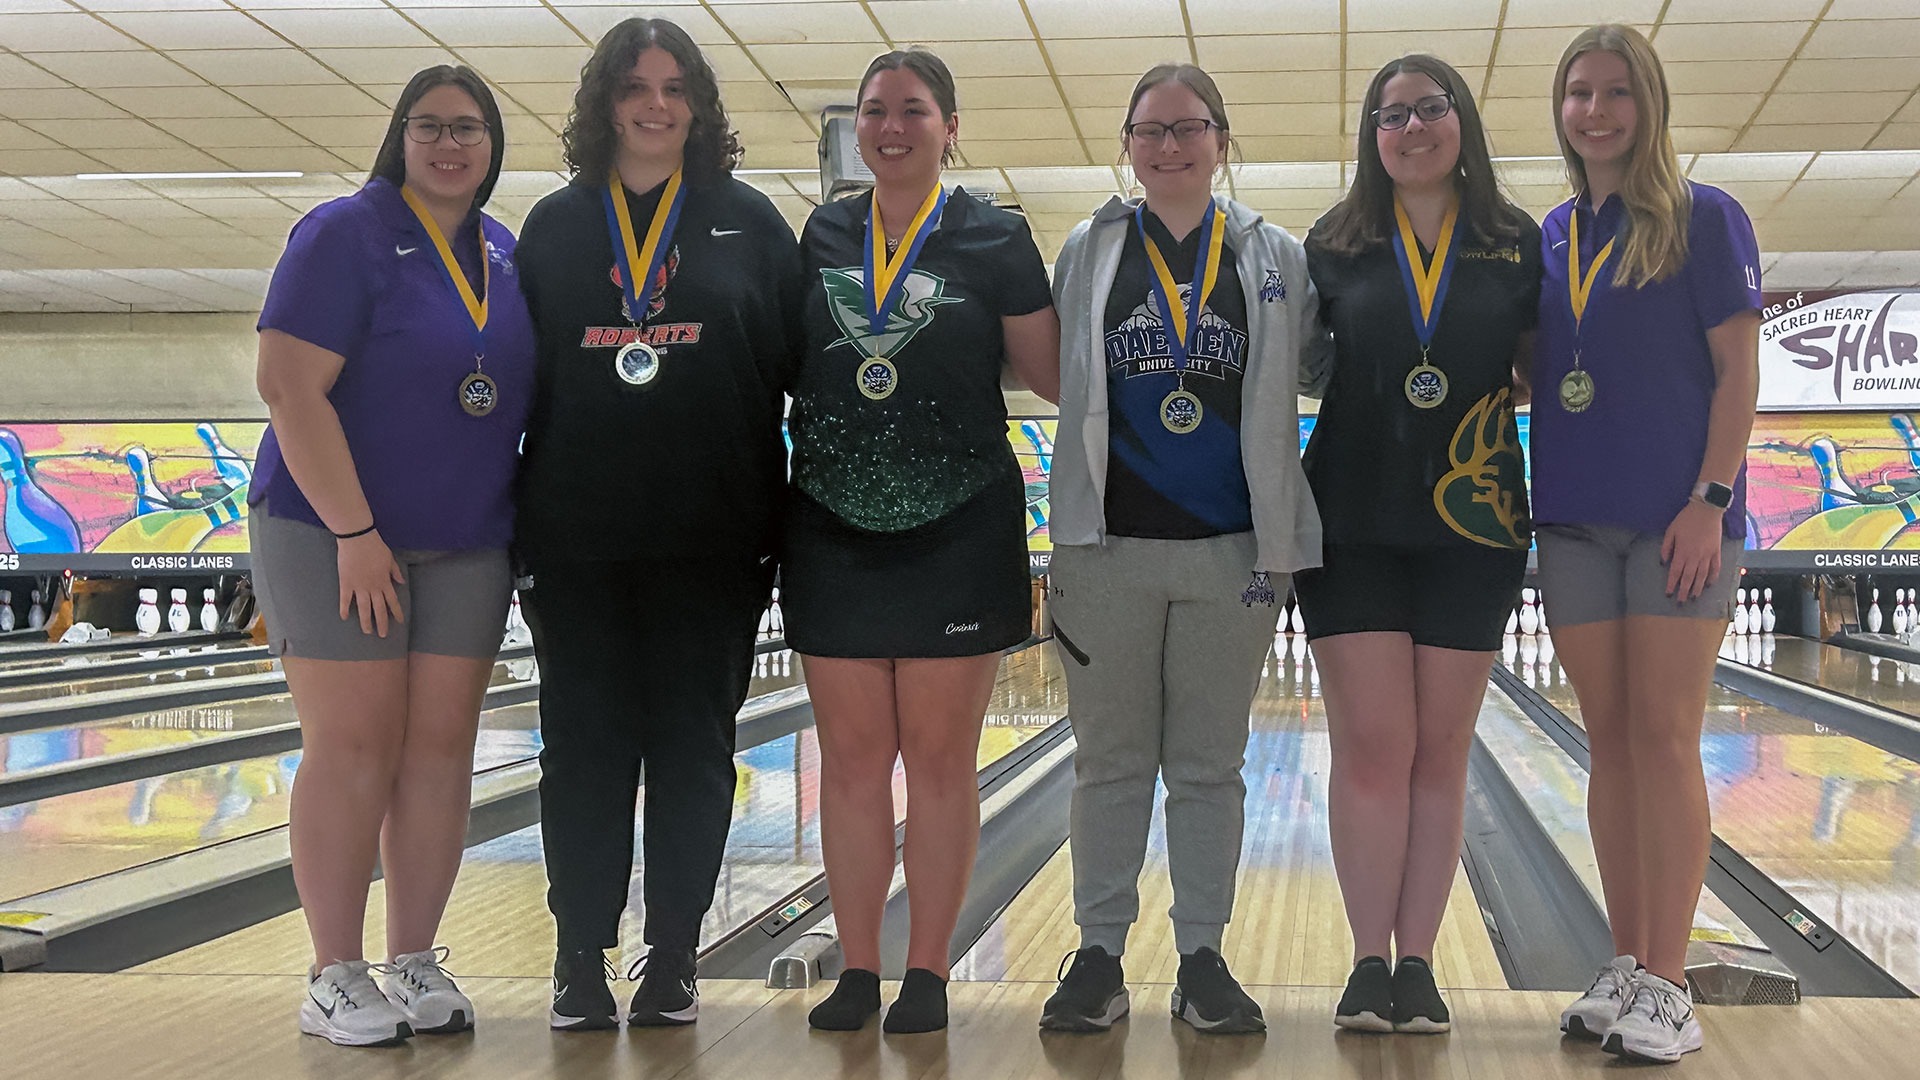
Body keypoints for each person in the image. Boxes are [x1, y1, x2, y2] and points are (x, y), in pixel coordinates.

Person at [511, 17, 800, 1030]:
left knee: (691, 750)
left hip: (714, 541)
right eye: (636, 86)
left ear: (698, 105)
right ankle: (577, 957)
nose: (657, 104)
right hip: (576, 541)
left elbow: (789, 370)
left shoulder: (749, 222)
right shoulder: (554, 226)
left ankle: (674, 953)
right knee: (581, 751)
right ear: (606, 103)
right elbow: (519, 382)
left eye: (676, 87)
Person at [250, 65, 534, 1047]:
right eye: (430, 126)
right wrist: (355, 534)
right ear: (399, 137)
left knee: (440, 751)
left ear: (494, 145)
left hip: (466, 537)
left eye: (469, 128)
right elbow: (288, 387)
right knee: (355, 744)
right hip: (330, 532)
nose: (450, 144)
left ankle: (414, 956)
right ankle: (333, 972)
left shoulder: (502, 249)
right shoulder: (343, 233)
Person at [1039, 62, 1323, 1037]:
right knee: (1108, 764)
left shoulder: (1272, 254)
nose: (1170, 146)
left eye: (1189, 128)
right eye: (1151, 130)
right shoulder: (1089, 248)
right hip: (1104, 550)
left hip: (1232, 554)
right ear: (1126, 144)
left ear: (1220, 140)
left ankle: (1202, 954)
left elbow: (1320, 364)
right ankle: (1099, 954)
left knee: (1209, 766)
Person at [786, 48, 1060, 1034]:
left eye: (912, 111)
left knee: (941, 761)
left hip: (959, 520)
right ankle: (857, 971)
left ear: (949, 126)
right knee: (854, 764)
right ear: (856, 129)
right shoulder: (820, 232)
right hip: (829, 523)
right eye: (874, 112)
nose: (891, 128)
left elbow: (1054, 378)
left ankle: (931, 974)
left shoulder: (995, 237)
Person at [1294, 55, 1539, 1035]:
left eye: (1429, 109)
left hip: (1475, 524)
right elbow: (1298, 365)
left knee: (1440, 751)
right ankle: (1365, 961)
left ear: (1460, 121)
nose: (1411, 128)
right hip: (1350, 520)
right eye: (1390, 116)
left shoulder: (1515, 243)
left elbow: (1544, 365)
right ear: (1371, 136)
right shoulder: (1335, 241)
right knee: (1372, 747)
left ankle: (1421, 962)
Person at [1533, 24, 1760, 1065]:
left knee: (1666, 735)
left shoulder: (1704, 219)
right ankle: (1627, 962)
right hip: (1574, 515)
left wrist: (1710, 498)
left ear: (1649, 104)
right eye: (1580, 91)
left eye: (1617, 91)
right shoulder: (1550, 234)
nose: (1596, 110)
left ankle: (1670, 980)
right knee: (1610, 738)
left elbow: (1736, 372)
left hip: (1678, 518)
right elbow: (1553, 370)